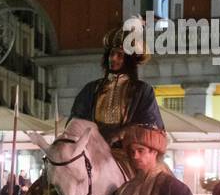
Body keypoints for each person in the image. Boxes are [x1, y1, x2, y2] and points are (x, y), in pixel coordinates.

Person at [70, 25, 165, 163]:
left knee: (155, 179)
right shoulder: (91, 89)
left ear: (129, 60)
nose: (113, 58)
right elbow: (76, 119)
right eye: (111, 53)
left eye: (120, 55)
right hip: (91, 149)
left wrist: (119, 134)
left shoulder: (142, 90)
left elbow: (150, 123)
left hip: (128, 153)